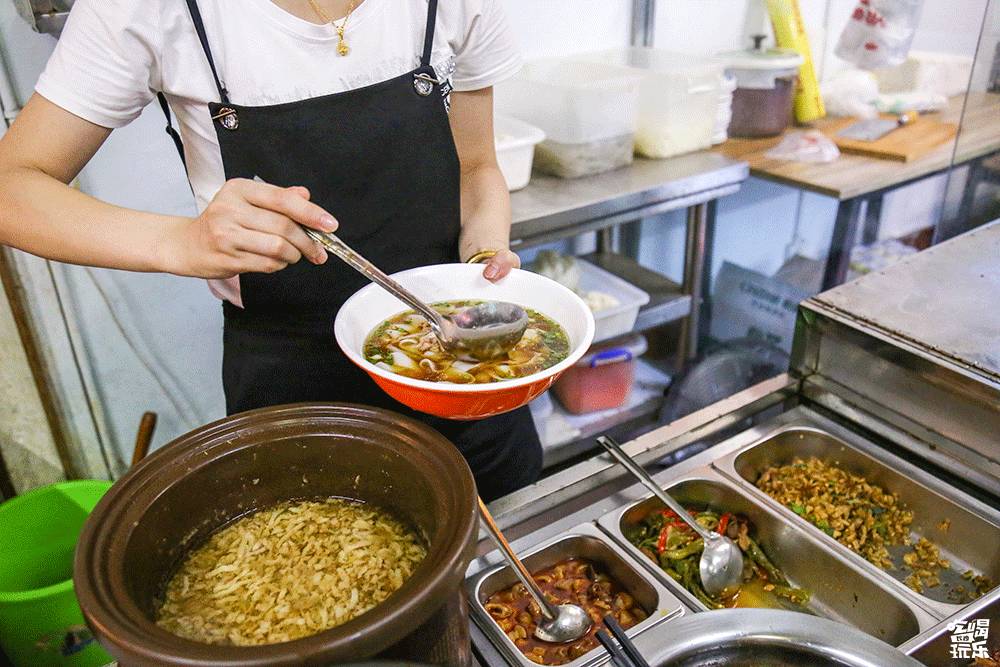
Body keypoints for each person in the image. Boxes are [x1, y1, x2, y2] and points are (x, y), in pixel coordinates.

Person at [0, 0, 541, 501]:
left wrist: (482, 257)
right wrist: (181, 242)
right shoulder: (153, 9)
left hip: (462, 363)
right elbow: (12, 188)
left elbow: (477, 165)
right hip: (293, 376)